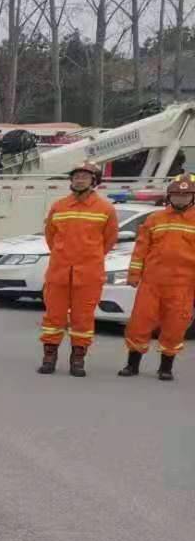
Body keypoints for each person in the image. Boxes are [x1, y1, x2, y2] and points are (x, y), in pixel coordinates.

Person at [38, 161, 119, 377]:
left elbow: (109, 240)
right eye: (76, 176)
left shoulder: (106, 209)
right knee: (53, 317)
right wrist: (62, 256)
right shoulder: (59, 206)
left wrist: (89, 258)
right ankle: (49, 356)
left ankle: (78, 359)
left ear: (94, 181)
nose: (79, 179)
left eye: (84, 176)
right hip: (59, 272)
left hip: (89, 274)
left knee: (83, 319)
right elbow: (50, 236)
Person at [118, 172, 195, 382]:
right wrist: (134, 274)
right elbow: (141, 249)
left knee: (175, 327)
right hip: (151, 283)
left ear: (192, 197)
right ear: (170, 197)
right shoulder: (154, 219)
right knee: (139, 323)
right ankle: (132, 365)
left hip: (183, 285)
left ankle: (166, 368)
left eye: (186, 195)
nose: (181, 198)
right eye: (177, 195)